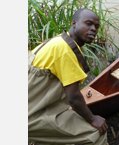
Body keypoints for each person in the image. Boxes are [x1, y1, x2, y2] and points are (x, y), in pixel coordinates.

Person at [28, 8, 108, 145]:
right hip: (32, 115)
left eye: (96, 26)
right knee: (94, 133)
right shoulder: (64, 50)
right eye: (88, 23)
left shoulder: (58, 41)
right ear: (74, 23)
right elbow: (73, 97)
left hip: (33, 106)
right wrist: (92, 119)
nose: (93, 29)